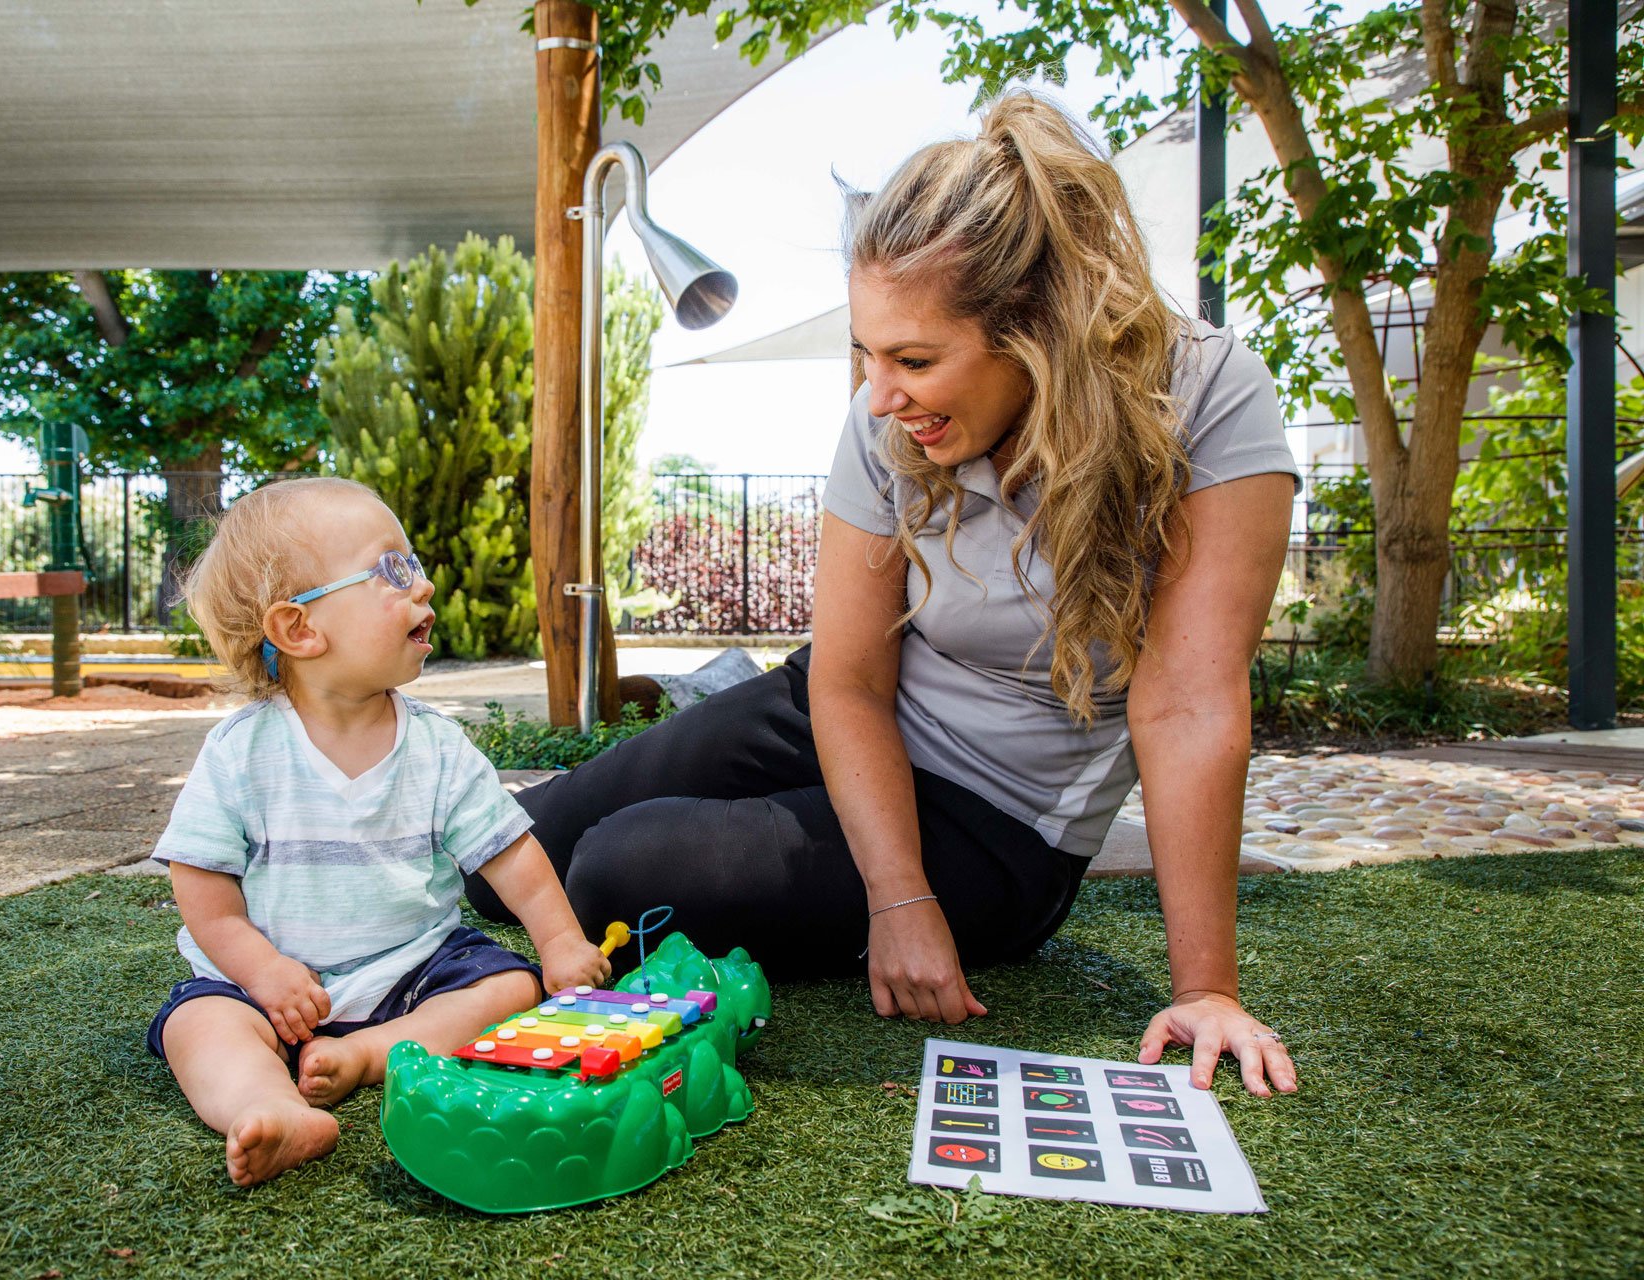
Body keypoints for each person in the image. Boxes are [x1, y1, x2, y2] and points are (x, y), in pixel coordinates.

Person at [469, 93, 1301, 1098]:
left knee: (613, 868)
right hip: (850, 713)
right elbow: (852, 678)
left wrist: (1206, 985)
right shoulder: (887, 420)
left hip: (1003, 818)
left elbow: (1190, 703)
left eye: (913, 360)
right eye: (867, 352)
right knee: (515, 845)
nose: (878, 395)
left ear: (1042, 336)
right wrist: (892, 892)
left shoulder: (1210, 396)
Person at [146, 477, 612, 1186]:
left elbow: (511, 854)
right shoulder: (242, 750)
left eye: (414, 562)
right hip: (266, 989)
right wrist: (263, 972)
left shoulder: (436, 746)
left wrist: (559, 943)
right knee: (198, 1025)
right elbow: (203, 890)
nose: (422, 585)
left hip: (414, 970)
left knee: (511, 986)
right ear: (299, 628)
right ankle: (266, 1105)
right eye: (393, 569)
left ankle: (377, 1051)